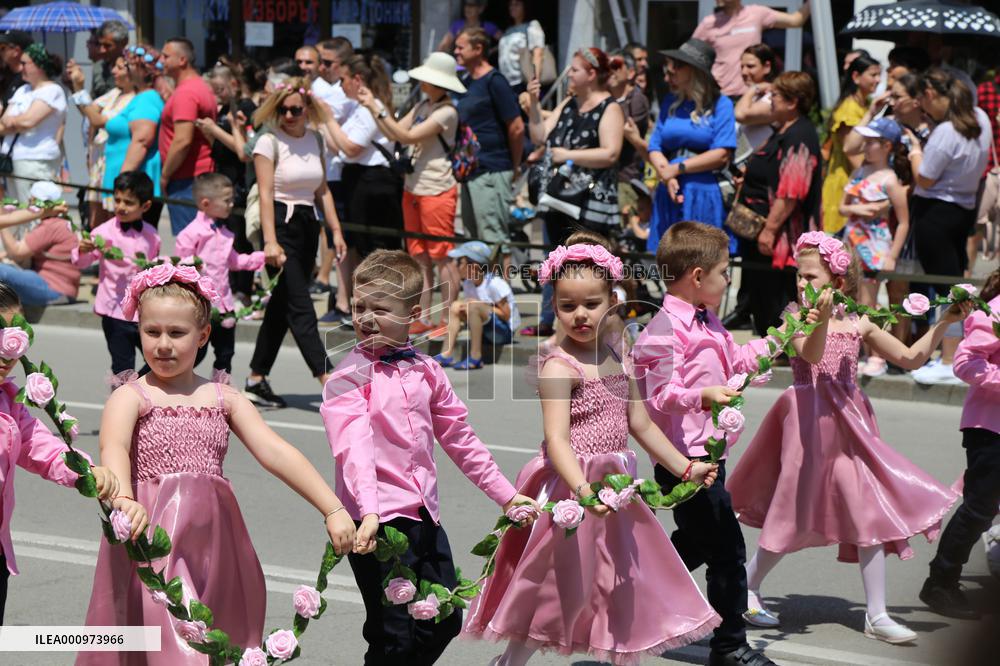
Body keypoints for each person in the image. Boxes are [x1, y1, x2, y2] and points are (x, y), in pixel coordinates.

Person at [463, 232, 722, 665]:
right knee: (553, 586)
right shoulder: (558, 366)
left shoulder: (618, 355)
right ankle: (510, 662)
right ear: (554, 306)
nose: (580, 314)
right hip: (572, 489)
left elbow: (639, 422)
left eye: (591, 303)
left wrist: (685, 467)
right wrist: (583, 491)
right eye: (567, 306)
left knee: (620, 580)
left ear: (612, 301)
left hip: (615, 488)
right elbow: (557, 441)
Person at [79, 265, 356, 665]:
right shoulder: (131, 396)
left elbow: (275, 451)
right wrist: (123, 499)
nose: (163, 344)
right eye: (152, 332)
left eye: (177, 333)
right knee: (174, 643)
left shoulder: (223, 397)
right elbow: (114, 447)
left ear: (203, 335)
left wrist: (332, 508)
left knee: (215, 640)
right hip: (153, 538)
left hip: (216, 544)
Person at [729, 231, 966, 644]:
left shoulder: (860, 321)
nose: (801, 284)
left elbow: (910, 358)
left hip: (850, 426)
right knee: (794, 510)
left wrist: (945, 321)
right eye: (799, 276)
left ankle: (877, 614)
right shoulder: (794, 316)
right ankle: (746, 585)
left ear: (837, 282)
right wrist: (819, 317)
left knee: (867, 508)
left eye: (810, 277)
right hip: (807, 424)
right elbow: (811, 353)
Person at [321, 249, 535, 664]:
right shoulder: (347, 377)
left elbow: (459, 436)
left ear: (413, 314)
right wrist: (369, 514)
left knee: (444, 618)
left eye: (380, 309)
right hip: (376, 521)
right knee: (392, 636)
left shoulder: (426, 369)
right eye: (359, 307)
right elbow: (354, 450)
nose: (366, 318)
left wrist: (507, 496)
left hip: (424, 516)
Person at [631, 222, 817, 666]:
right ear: (698, 276)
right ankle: (730, 645)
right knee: (728, 552)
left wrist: (787, 331)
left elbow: (741, 361)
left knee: (697, 543)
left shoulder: (708, 320)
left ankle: (636, 592)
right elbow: (659, 396)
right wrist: (704, 396)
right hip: (683, 460)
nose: (728, 279)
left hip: (710, 455)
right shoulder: (663, 329)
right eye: (723, 272)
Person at [0, 283, 118, 624]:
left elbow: (40, 446)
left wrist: (85, 472)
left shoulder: (8, 401)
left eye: (16, 338)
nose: (8, 353)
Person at [245, 77, 346, 408]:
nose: (289, 116)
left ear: (307, 109)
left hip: (307, 224)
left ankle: (256, 378)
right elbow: (265, 193)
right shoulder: (268, 142)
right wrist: (270, 242)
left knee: (281, 306)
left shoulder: (315, 139)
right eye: (283, 110)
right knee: (301, 307)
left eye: (296, 110)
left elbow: (323, 190)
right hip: (280, 223)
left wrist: (335, 231)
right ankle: (328, 378)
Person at [358, 51, 464, 337]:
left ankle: (447, 317)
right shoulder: (422, 104)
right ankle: (424, 317)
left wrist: (376, 107)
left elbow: (406, 136)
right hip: (413, 187)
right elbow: (394, 133)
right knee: (418, 256)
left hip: (437, 188)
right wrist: (373, 108)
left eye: (427, 79)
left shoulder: (447, 112)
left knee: (442, 256)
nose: (422, 83)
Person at [920, 268, 1000, 620]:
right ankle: (940, 582)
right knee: (980, 508)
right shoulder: (995, 310)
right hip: (991, 427)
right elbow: (966, 362)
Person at [907, 69, 992, 386]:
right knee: (956, 285)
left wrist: (915, 151)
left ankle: (948, 359)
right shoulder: (981, 117)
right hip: (962, 211)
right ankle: (956, 353)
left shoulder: (946, 131)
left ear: (931, 94)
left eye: (922, 99)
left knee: (947, 290)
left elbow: (925, 178)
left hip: (935, 213)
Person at [738, 71, 822, 338]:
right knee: (762, 299)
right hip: (761, 234)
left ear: (793, 101)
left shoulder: (801, 135)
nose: (770, 100)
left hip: (782, 237)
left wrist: (770, 230)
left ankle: (784, 352)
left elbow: (791, 192)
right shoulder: (782, 130)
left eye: (774, 95)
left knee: (778, 303)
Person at [645, 39, 736, 254]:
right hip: (669, 188)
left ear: (694, 71)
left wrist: (677, 169)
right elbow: (654, 146)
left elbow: (722, 154)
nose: (670, 72)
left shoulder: (721, 104)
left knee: (699, 257)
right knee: (667, 258)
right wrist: (667, 175)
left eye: (677, 66)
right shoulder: (670, 102)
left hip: (701, 191)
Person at [840, 118, 912, 378]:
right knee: (853, 300)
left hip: (874, 247)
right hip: (852, 243)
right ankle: (860, 351)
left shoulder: (890, 180)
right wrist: (861, 209)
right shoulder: (859, 171)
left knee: (869, 302)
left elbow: (903, 222)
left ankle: (877, 355)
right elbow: (842, 207)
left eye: (871, 142)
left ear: (887, 146)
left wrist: (892, 255)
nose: (865, 146)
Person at [174, 173, 264, 378]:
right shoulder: (190, 233)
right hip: (201, 306)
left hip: (224, 305)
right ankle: (160, 382)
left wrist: (263, 258)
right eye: (227, 200)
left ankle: (221, 390)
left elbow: (235, 261)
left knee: (226, 353)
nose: (231, 204)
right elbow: (180, 266)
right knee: (195, 353)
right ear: (206, 203)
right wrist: (191, 265)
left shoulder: (223, 232)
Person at [72, 172, 161, 377]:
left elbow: (152, 270)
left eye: (128, 202)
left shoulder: (152, 235)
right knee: (122, 367)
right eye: (117, 199)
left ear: (145, 206)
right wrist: (82, 250)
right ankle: (124, 395)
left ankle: (138, 388)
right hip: (114, 311)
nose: (120, 206)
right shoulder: (103, 232)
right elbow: (81, 262)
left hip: (143, 311)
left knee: (157, 360)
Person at [454, 27, 524, 274]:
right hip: (470, 171)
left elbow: (516, 127)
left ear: (478, 49)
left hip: (492, 169)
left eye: (460, 47)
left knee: (493, 238)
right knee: (473, 240)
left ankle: (501, 294)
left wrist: (514, 166)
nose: (456, 51)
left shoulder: (495, 81)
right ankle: (479, 293)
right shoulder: (465, 82)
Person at [322, 54, 403, 266]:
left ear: (357, 80)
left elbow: (351, 148)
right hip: (359, 180)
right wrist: (322, 120)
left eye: (343, 80)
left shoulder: (371, 108)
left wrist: (328, 119)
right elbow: (339, 147)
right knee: (364, 246)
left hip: (374, 183)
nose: (341, 86)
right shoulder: (358, 108)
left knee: (378, 248)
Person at [67, 54, 136, 228]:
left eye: (119, 68)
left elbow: (96, 119)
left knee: (113, 219)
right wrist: (76, 86)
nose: (113, 71)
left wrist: (80, 89)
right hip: (98, 162)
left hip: (115, 162)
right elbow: (88, 110)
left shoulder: (135, 99)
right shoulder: (115, 93)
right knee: (95, 222)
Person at [313, 37, 355, 319]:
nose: (321, 68)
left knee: (343, 240)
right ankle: (342, 299)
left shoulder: (345, 95)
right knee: (333, 237)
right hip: (327, 173)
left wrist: (320, 116)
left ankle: (344, 302)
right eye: (321, 62)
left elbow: (339, 142)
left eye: (327, 63)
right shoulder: (322, 88)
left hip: (343, 174)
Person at [102, 45, 165, 229]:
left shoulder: (147, 99)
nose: (122, 70)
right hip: (129, 185)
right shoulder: (142, 97)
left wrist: (123, 184)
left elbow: (142, 141)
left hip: (133, 188)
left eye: (127, 66)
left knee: (132, 241)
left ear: (142, 70)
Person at [158, 37, 217, 235]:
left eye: (166, 56)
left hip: (187, 179)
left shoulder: (187, 92)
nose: (161, 61)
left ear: (182, 60)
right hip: (194, 177)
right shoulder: (197, 87)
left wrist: (165, 175)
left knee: (190, 244)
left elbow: (183, 140)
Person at [693, 0, 811, 98]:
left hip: (752, 95)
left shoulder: (756, 14)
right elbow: (690, 54)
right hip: (721, 95)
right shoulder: (709, 23)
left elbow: (796, 20)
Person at [0, 43, 66, 217]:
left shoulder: (52, 90)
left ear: (39, 66)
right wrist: (16, 122)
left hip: (36, 160)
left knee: (34, 212)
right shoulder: (23, 90)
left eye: (25, 63)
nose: (20, 67)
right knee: (15, 212)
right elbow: (3, 123)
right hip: (12, 159)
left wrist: (13, 121)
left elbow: (29, 121)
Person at [433, 240, 519, 370]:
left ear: (473, 267)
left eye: (460, 262)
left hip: (503, 333)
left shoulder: (494, 284)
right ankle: (446, 354)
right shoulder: (468, 283)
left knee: (473, 306)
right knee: (456, 305)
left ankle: (476, 357)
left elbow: (506, 315)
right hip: (485, 331)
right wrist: (464, 309)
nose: (456, 265)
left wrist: (481, 306)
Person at [822, 54, 882, 235]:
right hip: (844, 184)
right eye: (873, 75)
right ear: (856, 77)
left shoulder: (864, 104)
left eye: (879, 75)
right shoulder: (849, 109)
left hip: (854, 182)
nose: (878, 80)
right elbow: (852, 153)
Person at [0, 201, 79, 306]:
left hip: (54, 288)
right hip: (58, 287)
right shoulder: (62, 224)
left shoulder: (51, 226)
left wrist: (3, 220)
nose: (29, 202)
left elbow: (17, 252)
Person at [609, 51, 650, 225]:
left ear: (631, 72)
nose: (610, 71)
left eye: (616, 66)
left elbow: (617, 132)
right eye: (607, 67)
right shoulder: (606, 98)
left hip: (625, 181)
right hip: (604, 179)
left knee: (623, 233)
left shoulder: (637, 100)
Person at [733, 43, 779, 163]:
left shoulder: (774, 99)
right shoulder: (752, 97)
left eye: (750, 66)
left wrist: (754, 88)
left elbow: (740, 115)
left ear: (767, 67)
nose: (744, 72)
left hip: (760, 166)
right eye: (742, 67)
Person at [497, 0, 545, 95]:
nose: (512, 7)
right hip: (506, 82)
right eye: (511, 4)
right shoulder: (509, 30)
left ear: (525, 7)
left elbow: (538, 53)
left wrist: (535, 81)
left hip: (521, 81)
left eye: (517, 4)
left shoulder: (532, 25)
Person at [437, 0, 503, 53]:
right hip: (460, 65)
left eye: (472, 5)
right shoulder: (457, 25)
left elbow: (505, 40)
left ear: (481, 9)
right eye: (466, 5)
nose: (467, 8)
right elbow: (443, 46)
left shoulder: (487, 26)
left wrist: (490, 51)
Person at [88, 20, 129, 99]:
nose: (102, 50)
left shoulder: (132, 68)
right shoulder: (99, 67)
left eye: (107, 46)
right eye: (100, 44)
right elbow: (92, 100)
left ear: (123, 43)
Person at [0, 31, 30, 109]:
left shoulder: (28, 79)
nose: (0, 52)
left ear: (16, 51)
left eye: (2, 48)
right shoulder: (4, 75)